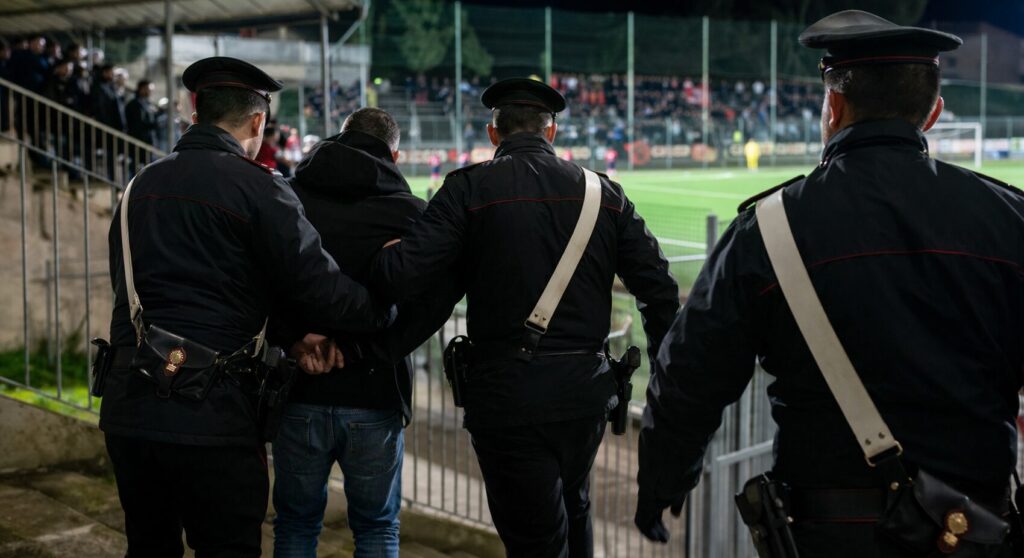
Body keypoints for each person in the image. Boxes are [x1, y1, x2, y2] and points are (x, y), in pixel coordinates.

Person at [634, 11, 1024, 557]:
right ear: (933, 112)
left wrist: (663, 480)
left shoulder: (767, 229)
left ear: (834, 106)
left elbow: (688, 375)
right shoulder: (1009, 219)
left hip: (827, 533)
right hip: (976, 532)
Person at [371, 77, 680, 557]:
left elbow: (404, 274)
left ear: (493, 133)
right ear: (551, 131)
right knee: (575, 507)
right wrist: (664, 377)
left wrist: (383, 256)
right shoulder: (604, 193)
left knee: (535, 539)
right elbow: (660, 291)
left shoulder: (466, 189)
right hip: (585, 395)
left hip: (506, 397)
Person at [100, 56, 392, 557]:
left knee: (148, 546)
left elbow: (134, 287)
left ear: (196, 114)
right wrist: (381, 309)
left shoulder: (137, 187)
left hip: (130, 408)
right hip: (214, 413)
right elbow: (318, 287)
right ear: (258, 122)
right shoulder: (260, 187)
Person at [272, 107, 457, 558]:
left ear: (340, 137)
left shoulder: (287, 199)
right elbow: (432, 305)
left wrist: (292, 339)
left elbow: (259, 285)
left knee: (295, 524)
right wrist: (363, 350)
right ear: (394, 157)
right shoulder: (411, 214)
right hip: (375, 392)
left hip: (298, 386)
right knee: (377, 528)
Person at [125, 79, 160, 147]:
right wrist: (153, 124)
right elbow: (138, 123)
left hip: (149, 140)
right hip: (139, 141)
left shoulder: (149, 104)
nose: (149, 92)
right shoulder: (134, 104)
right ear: (141, 89)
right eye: (147, 89)